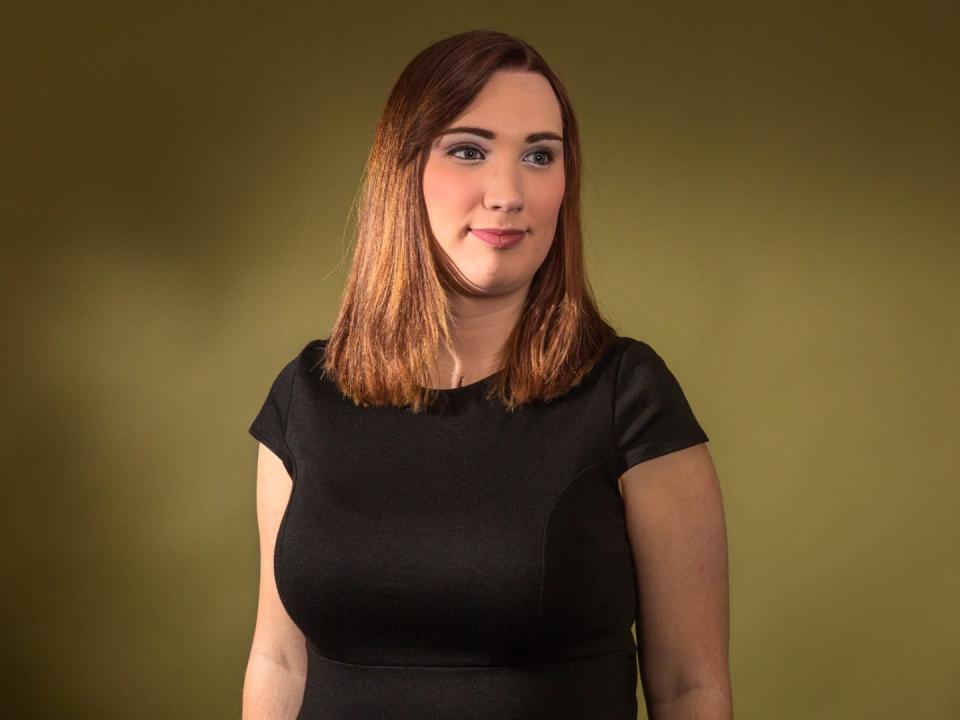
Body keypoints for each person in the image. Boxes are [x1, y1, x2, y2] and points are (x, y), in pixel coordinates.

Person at [241, 29, 731, 720]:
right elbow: (279, 660)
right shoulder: (306, 397)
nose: (507, 192)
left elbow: (691, 688)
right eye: (468, 151)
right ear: (401, 171)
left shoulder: (629, 396)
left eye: (539, 155)